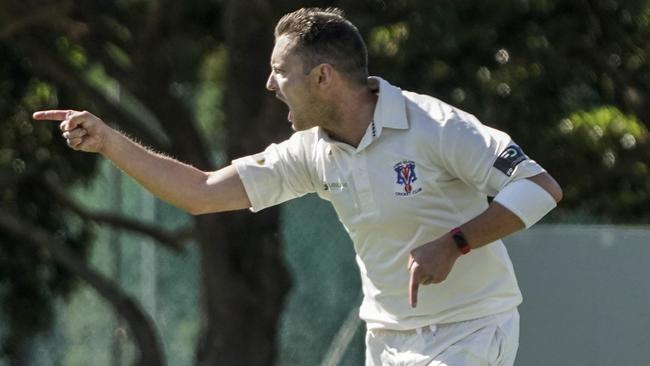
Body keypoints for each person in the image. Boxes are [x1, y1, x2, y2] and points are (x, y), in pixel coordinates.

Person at [34, 7, 562, 366]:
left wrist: (455, 243)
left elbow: (539, 186)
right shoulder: (311, 150)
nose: (268, 85)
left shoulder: (437, 126)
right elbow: (201, 192)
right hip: (387, 340)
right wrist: (108, 141)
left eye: (279, 71)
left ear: (323, 77)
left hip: (470, 330)